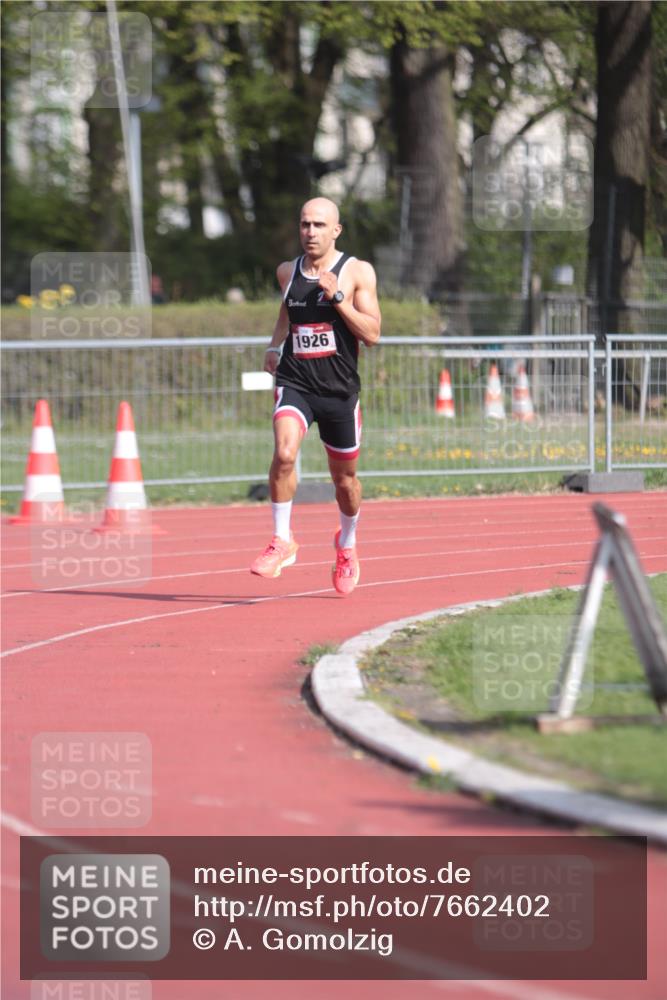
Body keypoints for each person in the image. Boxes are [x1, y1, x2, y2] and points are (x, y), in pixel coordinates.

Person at [250, 197, 381, 595]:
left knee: (345, 482)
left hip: (339, 391)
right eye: (305, 224)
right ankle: (282, 539)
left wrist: (338, 298)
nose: (310, 232)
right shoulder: (287, 271)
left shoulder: (356, 271)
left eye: (319, 225)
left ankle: (347, 544)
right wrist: (275, 347)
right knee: (285, 454)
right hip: (297, 382)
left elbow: (373, 334)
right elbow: (285, 315)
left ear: (336, 230)